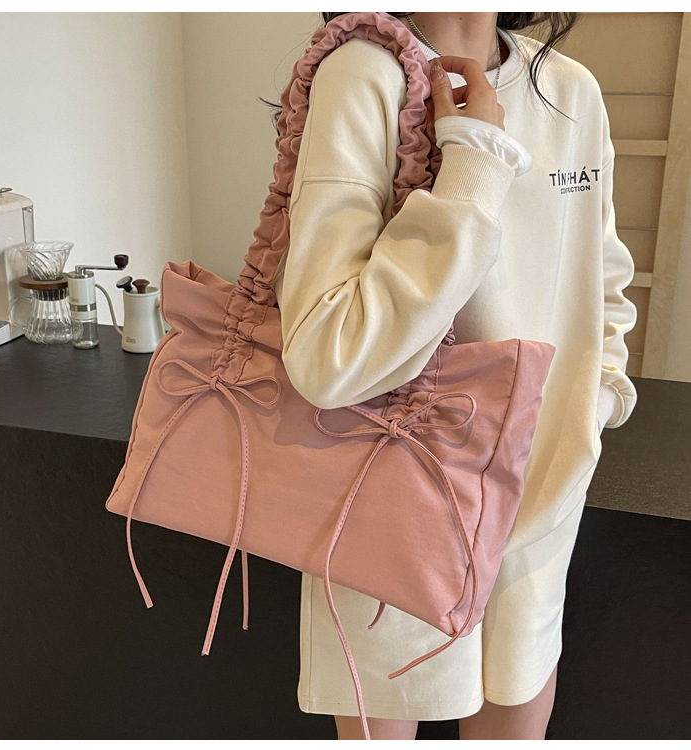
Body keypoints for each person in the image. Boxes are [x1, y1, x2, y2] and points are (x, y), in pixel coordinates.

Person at [270, 12, 638, 740]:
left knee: (518, 697)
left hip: (544, 492)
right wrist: (474, 160)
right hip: (396, 491)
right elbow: (328, 355)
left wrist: (596, 401)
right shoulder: (365, 74)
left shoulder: (570, 89)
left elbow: (602, 276)